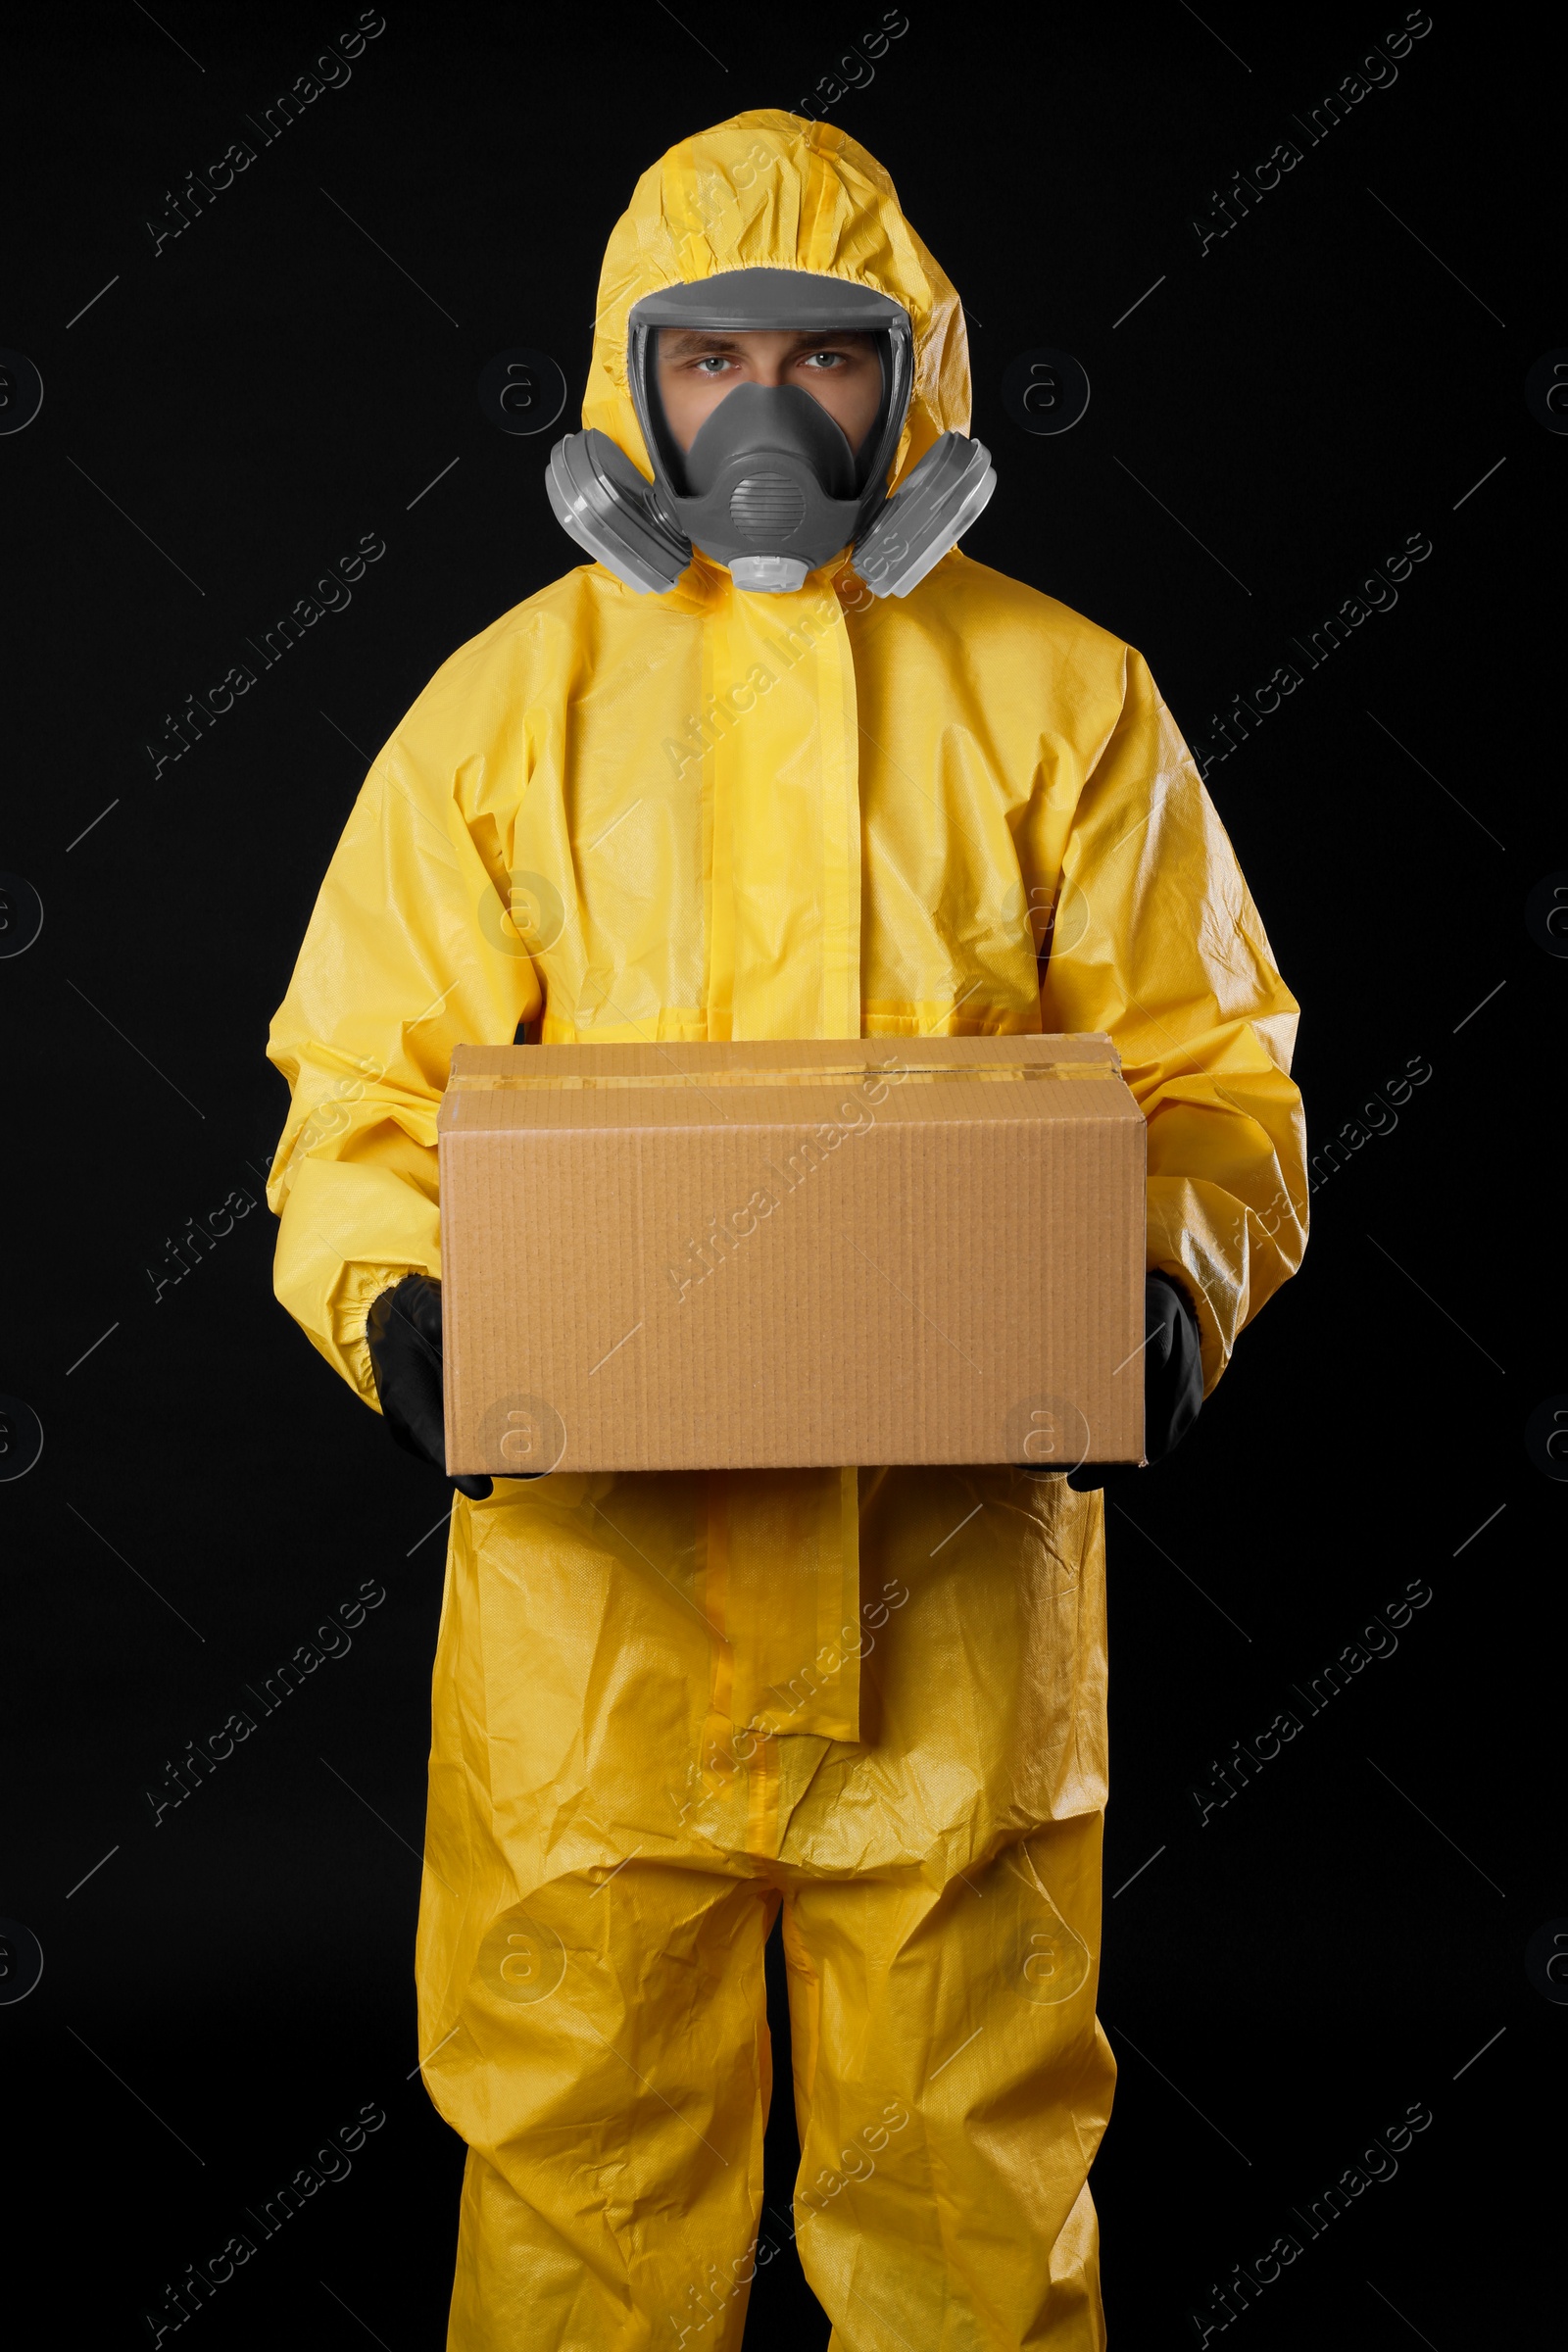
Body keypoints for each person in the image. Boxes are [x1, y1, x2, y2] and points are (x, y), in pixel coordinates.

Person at [267, 109, 1306, 2352]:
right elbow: (356, 1091)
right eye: (705, 357)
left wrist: (1166, 1286)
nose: (759, 415)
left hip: (950, 1626)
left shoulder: (1062, 702)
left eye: (818, 363)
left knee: (966, 2187)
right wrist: (401, 1303)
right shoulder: (500, 714)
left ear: (911, 375)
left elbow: (1217, 1078)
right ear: (623, 384)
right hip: (592, 1638)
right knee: (575, 2184)